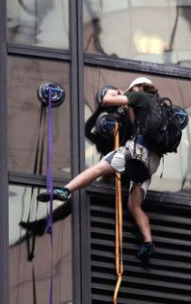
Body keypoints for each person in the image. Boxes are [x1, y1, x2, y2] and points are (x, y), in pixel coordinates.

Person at [37, 77, 161, 260]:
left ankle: (66, 190)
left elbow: (107, 100)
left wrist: (117, 93)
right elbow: (137, 124)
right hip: (151, 162)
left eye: (132, 88)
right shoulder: (158, 108)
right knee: (134, 205)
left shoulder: (139, 97)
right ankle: (148, 242)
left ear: (140, 87)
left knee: (97, 169)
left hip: (136, 153)